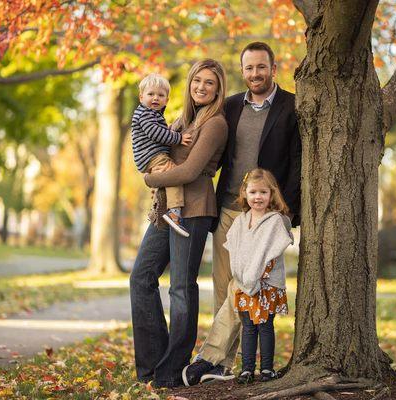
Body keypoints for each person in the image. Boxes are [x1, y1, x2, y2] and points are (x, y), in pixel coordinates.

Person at [182, 41, 301, 384]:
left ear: (273, 68)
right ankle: (225, 365)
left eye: (261, 67)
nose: (254, 74)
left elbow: (296, 162)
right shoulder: (231, 106)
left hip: (266, 218)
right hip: (230, 210)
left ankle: (211, 358)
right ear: (242, 71)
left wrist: (286, 214)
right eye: (248, 68)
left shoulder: (291, 106)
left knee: (246, 286)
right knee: (225, 289)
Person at [129, 59, 228, 388]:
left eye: (209, 82)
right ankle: (152, 366)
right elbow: (153, 147)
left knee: (181, 287)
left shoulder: (215, 124)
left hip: (195, 208)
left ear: (218, 89)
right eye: (196, 80)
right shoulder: (180, 120)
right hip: (166, 208)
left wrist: (148, 179)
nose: (201, 86)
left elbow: (188, 172)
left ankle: (172, 371)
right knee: (141, 277)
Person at [227, 169, 292, 383]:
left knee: (264, 326)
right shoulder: (240, 221)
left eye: (263, 192)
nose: (258, 197)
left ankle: (266, 369)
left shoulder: (276, 221)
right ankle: (246, 369)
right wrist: (245, 277)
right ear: (244, 193)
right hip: (244, 282)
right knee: (247, 327)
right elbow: (235, 249)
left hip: (266, 284)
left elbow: (273, 250)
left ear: (272, 194)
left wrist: (258, 276)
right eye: (253, 192)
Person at [131, 73, 193, 237]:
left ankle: (155, 209)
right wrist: (178, 138)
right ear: (141, 97)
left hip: (151, 156)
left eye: (160, 95)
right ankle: (174, 212)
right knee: (173, 175)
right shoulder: (145, 114)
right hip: (152, 155)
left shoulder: (152, 114)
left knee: (163, 181)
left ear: (167, 100)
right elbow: (156, 134)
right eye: (151, 94)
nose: (155, 98)